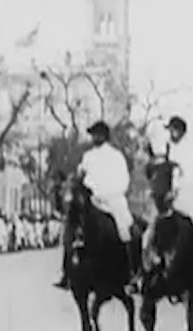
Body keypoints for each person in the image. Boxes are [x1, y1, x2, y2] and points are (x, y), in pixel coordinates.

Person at [54, 120, 140, 291]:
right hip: (92, 199)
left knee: (127, 229)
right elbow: (81, 176)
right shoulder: (88, 157)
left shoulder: (116, 156)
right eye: (93, 134)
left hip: (112, 199)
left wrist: (109, 193)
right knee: (71, 225)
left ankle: (132, 272)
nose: (94, 137)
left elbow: (123, 180)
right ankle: (66, 272)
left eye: (98, 134)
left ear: (105, 136)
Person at [144, 116, 193, 251]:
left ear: (181, 132)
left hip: (190, 194)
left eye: (174, 130)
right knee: (151, 230)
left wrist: (177, 188)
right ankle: (148, 265)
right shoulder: (166, 148)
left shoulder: (191, 149)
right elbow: (161, 170)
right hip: (167, 197)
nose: (171, 133)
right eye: (170, 130)